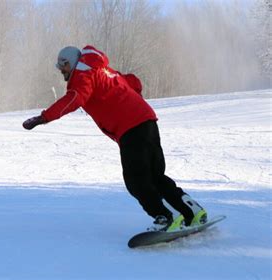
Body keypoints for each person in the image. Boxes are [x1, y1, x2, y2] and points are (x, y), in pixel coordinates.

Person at [22, 45, 207, 231]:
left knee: (136, 180)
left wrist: (44, 117)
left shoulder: (83, 75)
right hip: (148, 121)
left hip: (131, 128)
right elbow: (134, 82)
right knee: (155, 176)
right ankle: (193, 212)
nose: (61, 69)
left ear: (71, 62)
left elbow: (75, 98)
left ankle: (167, 218)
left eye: (63, 65)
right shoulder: (104, 71)